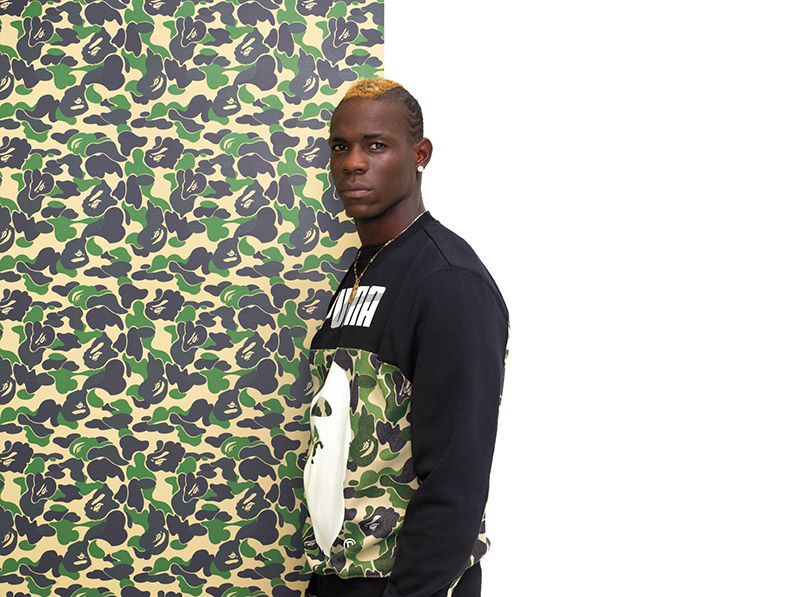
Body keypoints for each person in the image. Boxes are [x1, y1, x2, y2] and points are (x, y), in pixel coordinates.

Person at [303, 78, 509, 597]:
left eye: (375, 145)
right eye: (340, 147)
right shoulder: (365, 268)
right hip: (340, 575)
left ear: (420, 155)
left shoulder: (449, 282)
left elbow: (457, 476)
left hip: (404, 584)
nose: (352, 163)